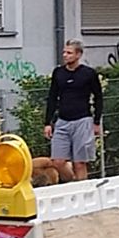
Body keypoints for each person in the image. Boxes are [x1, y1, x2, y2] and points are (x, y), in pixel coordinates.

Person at [43, 40, 103, 181]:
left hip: (82, 120)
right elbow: (52, 97)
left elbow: (98, 97)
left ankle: (82, 191)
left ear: (78, 54)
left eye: (69, 53)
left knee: (79, 163)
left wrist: (96, 121)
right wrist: (47, 122)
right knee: (58, 161)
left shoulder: (88, 73)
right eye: (64, 52)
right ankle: (74, 183)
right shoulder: (58, 73)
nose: (65, 55)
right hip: (63, 121)